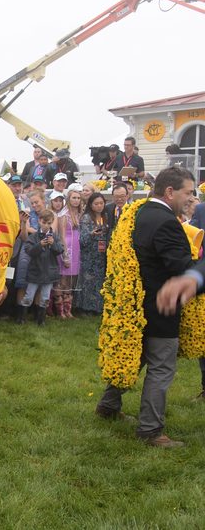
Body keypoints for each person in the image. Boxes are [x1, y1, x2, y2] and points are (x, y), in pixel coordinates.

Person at [96, 166, 196, 447]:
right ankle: (151, 430)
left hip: (131, 308)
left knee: (134, 355)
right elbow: (182, 270)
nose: (191, 198)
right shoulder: (166, 223)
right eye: (188, 192)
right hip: (160, 308)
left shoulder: (137, 212)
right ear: (170, 192)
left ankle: (108, 406)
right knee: (161, 368)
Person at [16, 209, 64, 325]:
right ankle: (22, 318)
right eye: (44, 222)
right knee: (29, 296)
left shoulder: (55, 237)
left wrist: (53, 244)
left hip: (49, 272)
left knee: (45, 297)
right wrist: (40, 245)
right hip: (35, 271)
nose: (46, 225)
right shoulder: (34, 236)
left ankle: (41, 320)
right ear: (39, 221)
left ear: (52, 222)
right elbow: (29, 251)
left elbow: (60, 250)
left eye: (49, 223)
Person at [78, 193, 108, 314]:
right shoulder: (86, 218)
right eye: (96, 204)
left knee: (100, 280)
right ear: (91, 205)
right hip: (89, 254)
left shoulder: (106, 216)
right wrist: (91, 234)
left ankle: (98, 307)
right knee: (88, 281)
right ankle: (87, 308)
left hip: (102, 253)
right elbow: (82, 239)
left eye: (101, 203)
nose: (99, 206)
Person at [57, 185, 82, 318]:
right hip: (67, 247)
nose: (76, 200)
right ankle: (60, 311)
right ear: (69, 199)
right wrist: (65, 254)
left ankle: (68, 309)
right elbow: (61, 236)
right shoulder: (63, 214)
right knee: (63, 279)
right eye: (74, 198)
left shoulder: (79, 214)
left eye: (78, 198)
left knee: (71, 280)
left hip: (77, 249)